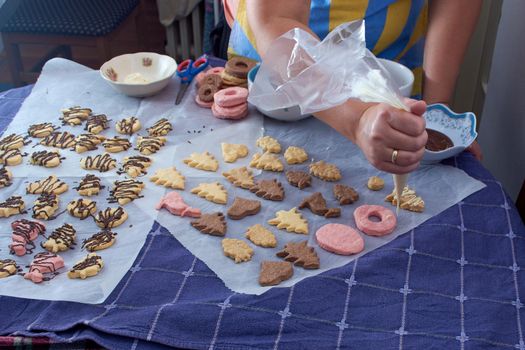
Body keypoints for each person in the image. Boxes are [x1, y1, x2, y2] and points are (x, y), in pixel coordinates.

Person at [222, 0, 483, 173]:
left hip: (383, 74)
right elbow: (276, 17)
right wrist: (357, 119)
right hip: (281, 79)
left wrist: (435, 109)